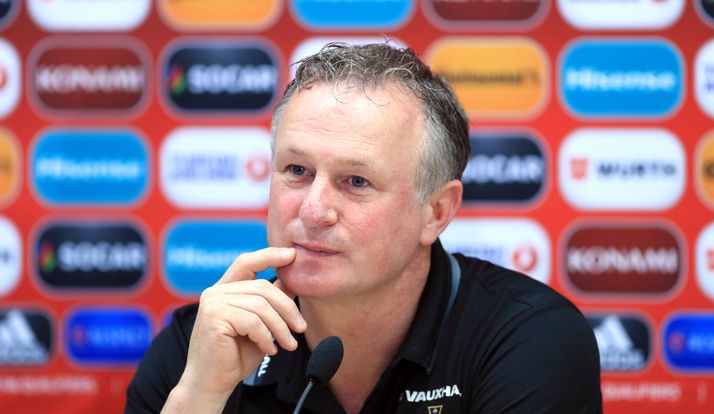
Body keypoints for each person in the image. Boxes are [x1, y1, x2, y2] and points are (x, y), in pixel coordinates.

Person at [126, 43, 602, 414]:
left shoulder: (525, 341)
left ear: (436, 212)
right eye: (296, 171)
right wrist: (199, 396)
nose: (313, 211)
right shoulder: (199, 348)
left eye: (356, 181)